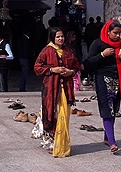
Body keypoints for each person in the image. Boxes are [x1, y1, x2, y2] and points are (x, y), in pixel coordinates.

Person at [84, 20, 121, 154]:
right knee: (107, 109)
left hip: (118, 80)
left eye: (119, 33)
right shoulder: (98, 43)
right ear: (108, 31)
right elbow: (88, 62)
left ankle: (107, 137)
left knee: (114, 109)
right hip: (102, 79)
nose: (117, 36)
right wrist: (102, 55)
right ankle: (112, 142)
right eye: (115, 33)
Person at [33, 27, 82, 157]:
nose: (61, 39)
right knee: (51, 115)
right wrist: (52, 70)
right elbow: (37, 67)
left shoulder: (68, 51)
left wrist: (70, 72)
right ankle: (50, 144)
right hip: (51, 90)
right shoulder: (46, 51)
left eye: (62, 36)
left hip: (65, 89)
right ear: (52, 38)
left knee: (63, 116)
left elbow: (76, 66)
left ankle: (63, 144)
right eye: (58, 37)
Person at [15, 27, 33, 92]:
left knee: (24, 72)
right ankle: (22, 87)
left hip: (21, 57)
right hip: (24, 58)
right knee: (24, 72)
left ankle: (22, 87)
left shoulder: (20, 39)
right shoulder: (25, 40)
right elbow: (26, 50)